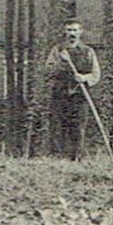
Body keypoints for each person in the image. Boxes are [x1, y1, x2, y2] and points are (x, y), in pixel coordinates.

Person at [47, 20, 101, 159]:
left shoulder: (88, 51)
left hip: (80, 96)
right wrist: (61, 62)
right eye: (69, 30)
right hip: (60, 95)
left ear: (81, 32)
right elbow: (48, 70)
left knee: (78, 128)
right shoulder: (57, 50)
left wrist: (84, 78)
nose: (72, 33)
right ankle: (58, 159)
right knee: (58, 127)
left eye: (75, 30)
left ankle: (77, 159)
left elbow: (96, 74)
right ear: (65, 32)